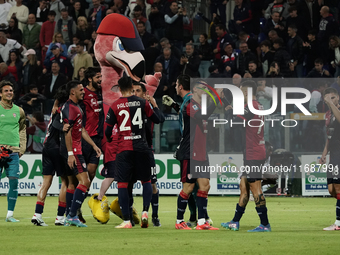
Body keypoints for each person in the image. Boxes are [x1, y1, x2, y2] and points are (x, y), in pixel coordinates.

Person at [162, 75, 220, 230]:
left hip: (201, 152)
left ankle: (202, 222)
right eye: (203, 88)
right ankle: (179, 221)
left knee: (205, 185)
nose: (206, 90)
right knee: (188, 187)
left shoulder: (197, 106)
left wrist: (174, 105)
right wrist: (216, 98)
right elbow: (203, 116)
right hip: (191, 151)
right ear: (195, 89)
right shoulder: (191, 104)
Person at [105, 76, 161, 228]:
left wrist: (110, 139)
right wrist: (154, 106)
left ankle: (127, 220)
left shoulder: (115, 105)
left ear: (120, 89)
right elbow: (156, 119)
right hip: (142, 147)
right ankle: (145, 212)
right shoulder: (143, 102)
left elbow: (108, 131)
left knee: (123, 184)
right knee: (146, 181)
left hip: (124, 149)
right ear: (131, 86)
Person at [221, 80, 271, 232]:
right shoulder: (257, 105)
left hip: (253, 153)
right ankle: (235, 221)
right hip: (253, 150)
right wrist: (227, 104)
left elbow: (236, 120)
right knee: (244, 187)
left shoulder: (252, 106)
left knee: (255, 189)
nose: (240, 95)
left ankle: (264, 224)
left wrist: (228, 107)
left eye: (242, 92)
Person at [61, 80, 101, 227]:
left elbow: (82, 130)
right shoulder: (71, 108)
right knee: (84, 182)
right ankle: (71, 215)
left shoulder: (76, 107)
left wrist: (94, 145)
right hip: (74, 151)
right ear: (73, 92)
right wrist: (71, 153)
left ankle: (71, 214)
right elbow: (67, 132)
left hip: (78, 150)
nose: (83, 92)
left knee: (78, 183)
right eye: (80, 90)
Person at [31, 85, 69, 226]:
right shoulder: (64, 111)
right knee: (65, 181)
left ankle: (37, 214)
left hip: (46, 147)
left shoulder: (54, 110)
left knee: (46, 182)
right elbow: (59, 125)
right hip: (57, 148)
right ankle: (60, 217)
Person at [132, 81, 165, 227]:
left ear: (145, 94)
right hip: (130, 150)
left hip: (146, 150)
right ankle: (129, 215)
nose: (135, 94)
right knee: (128, 184)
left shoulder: (148, 107)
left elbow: (160, 119)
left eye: (138, 91)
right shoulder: (128, 107)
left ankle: (154, 215)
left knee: (152, 185)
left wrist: (155, 105)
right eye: (133, 91)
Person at [0, 80, 26, 222]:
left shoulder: (19, 110)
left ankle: (10, 214)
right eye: (6, 91)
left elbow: (22, 129)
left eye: (11, 90)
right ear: (0, 93)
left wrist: (21, 147)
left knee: (14, 183)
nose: (9, 93)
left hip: (14, 152)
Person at [321, 87, 340, 231]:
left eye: (333, 97)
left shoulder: (337, 111)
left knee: (338, 187)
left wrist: (332, 104)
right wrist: (324, 153)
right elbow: (329, 137)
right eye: (327, 98)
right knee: (331, 189)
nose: (330, 100)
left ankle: (338, 223)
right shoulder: (328, 115)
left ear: (338, 97)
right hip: (333, 154)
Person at [79, 67, 102, 185]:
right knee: (81, 172)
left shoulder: (102, 93)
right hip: (85, 137)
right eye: (98, 77)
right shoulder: (83, 93)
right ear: (89, 79)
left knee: (92, 171)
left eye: (101, 76)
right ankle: (74, 196)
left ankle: (82, 194)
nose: (100, 79)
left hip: (98, 137)